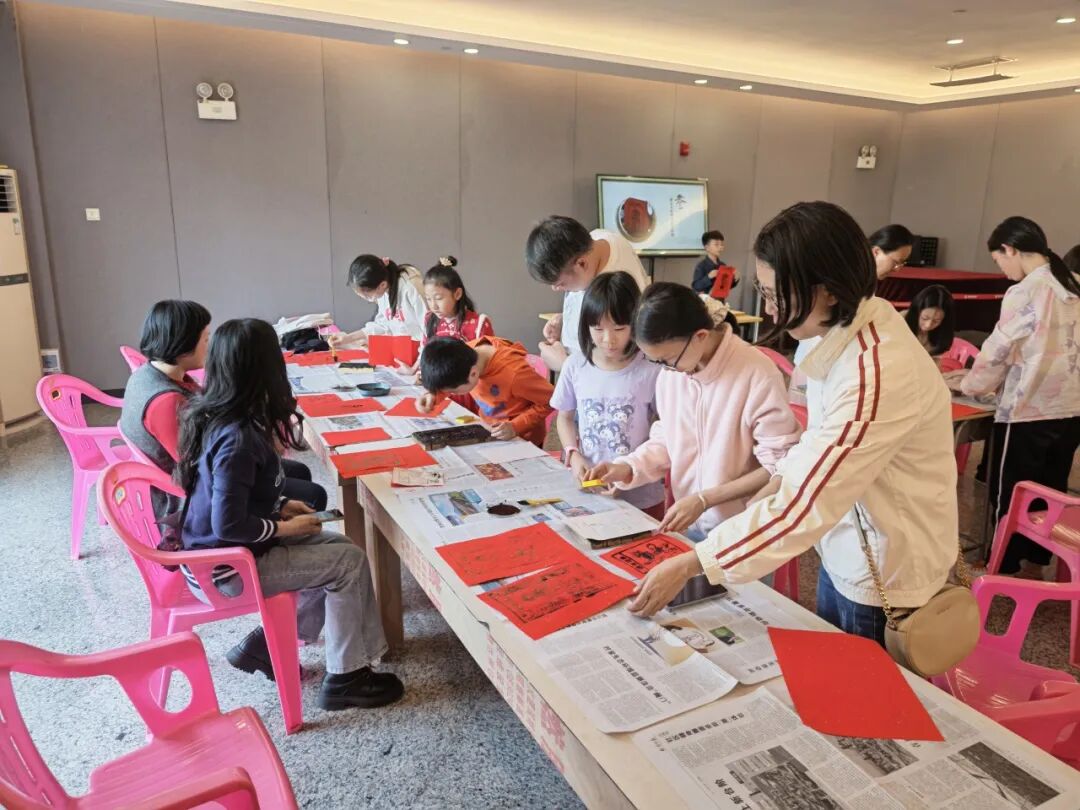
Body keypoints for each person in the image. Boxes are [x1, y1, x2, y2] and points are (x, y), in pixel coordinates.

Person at [624, 202, 958, 648]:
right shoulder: (829, 338)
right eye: (764, 293)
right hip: (844, 544)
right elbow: (812, 449)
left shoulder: (876, 370)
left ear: (828, 291)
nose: (770, 310)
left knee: (867, 679)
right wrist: (771, 486)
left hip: (885, 563)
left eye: (777, 296)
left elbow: (807, 500)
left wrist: (693, 563)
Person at [177, 318, 404, 710]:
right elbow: (227, 523)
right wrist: (283, 528)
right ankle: (346, 678)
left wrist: (280, 506)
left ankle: (266, 645)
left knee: (340, 547)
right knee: (347, 562)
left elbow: (236, 496)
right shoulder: (237, 439)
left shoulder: (224, 416)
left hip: (223, 556)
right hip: (227, 569)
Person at [585, 282, 802, 541]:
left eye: (668, 360)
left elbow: (780, 464)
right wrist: (627, 467)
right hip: (689, 520)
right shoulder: (671, 375)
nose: (666, 368)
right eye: (657, 361)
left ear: (700, 336)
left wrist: (705, 499)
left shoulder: (756, 373)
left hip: (741, 529)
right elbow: (668, 439)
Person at [951, 216, 1080, 577]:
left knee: (1011, 492)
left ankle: (1000, 564)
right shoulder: (1072, 284)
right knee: (1050, 488)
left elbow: (998, 351)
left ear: (1010, 249)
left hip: (1029, 408)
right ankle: (1036, 563)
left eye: (999, 260)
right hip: (1071, 408)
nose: (1003, 271)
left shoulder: (1026, 291)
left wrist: (970, 384)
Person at [119, 300, 326, 515]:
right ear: (183, 346)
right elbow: (201, 470)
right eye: (206, 339)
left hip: (203, 468)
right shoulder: (167, 402)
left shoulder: (150, 373)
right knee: (313, 494)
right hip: (191, 501)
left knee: (297, 470)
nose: (209, 347)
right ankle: (280, 531)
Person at [551, 272, 664, 519]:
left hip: (641, 496)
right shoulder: (576, 365)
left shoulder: (651, 370)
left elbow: (666, 430)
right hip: (590, 488)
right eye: (598, 329)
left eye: (619, 328)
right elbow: (565, 417)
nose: (608, 340)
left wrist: (629, 472)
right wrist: (573, 453)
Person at [526, 215, 648, 373]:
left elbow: (614, 371)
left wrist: (563, 364)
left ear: (582, 263)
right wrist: (564, 320)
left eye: (561, 284)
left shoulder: (615, 292)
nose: (556, 289)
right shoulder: (598, 239)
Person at [417, 336, 554, 446]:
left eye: (454, 392)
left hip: (522, 439)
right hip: (489, 429)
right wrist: (434, 395)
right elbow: (452, 379)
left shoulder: (514, 374)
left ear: (473, 374)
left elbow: (551, 400)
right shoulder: (465, 356)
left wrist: (516, 426)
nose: (451, 394)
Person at [329, 255, 427, 347]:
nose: (367, 299)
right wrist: (347, 338)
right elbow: (382, 324)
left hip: (422, 349)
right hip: (405, 349)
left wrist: (422, 356)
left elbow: (429, 326)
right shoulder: (383, 289)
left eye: (366, 295)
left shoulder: (411, 287)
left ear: (382, 285)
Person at [421, 256, 493, 347]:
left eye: (438, 298)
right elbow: (424, 352)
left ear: (457, 294)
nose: (433, 306)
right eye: (428, 299)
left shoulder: (479, 324)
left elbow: (490, 354)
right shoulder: (429, 320)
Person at [904, 284, 956, 368]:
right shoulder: (900, 321)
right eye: (925, 318)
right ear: (917, 311)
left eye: (936, 321)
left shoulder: (941, 334)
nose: (928, 325)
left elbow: (934, 361)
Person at [691, 229, 738, 297]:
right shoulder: (701, 266)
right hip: (705, 301)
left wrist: (735, 279)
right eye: (716, 244)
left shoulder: (723, 265)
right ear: (707, 247)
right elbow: (696, 286)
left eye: (721, 244)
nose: (720, 247)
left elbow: (727, 286)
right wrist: (709, 277)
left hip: (720, 300)